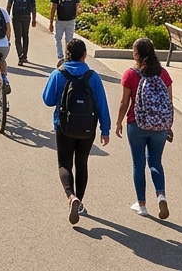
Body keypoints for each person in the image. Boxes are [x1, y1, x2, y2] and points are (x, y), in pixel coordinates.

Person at [43, 38, 111, 225]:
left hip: (64, 126)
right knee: (81, 163)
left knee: (64, 163)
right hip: (87, 128)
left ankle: (71, 196)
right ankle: (80, 202)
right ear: (84, 55)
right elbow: (102, 105)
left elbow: (47, 100)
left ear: (67, 54)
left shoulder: (59, 74)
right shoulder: (93, 76)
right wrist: (105, 130)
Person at [115, 37, 174, 219]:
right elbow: (169, 103)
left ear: (136, 54)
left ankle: (142, 205)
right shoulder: (163, 74)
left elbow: (125, 102)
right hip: (160, 127)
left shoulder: (130, 74)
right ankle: (161, 195)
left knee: (138, 165)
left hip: (136, 124)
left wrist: (118, 122)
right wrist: (168, 125)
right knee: (156, 162)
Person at [7, 0, 38, 66]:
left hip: (16, 16)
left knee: (17, 37)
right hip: (26, 16)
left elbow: (9, 5)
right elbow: (33, 6)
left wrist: (6, 17)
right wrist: (34, 18)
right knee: (25, 35)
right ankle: (25, 55)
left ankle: (20, 55)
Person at [48, 0, 80, 64]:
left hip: (60, 20)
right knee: (69, 40)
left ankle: (60, 56)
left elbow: (53, 8)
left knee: (58, 38)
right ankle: (68, 56)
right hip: (70, 19)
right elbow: (78, 6)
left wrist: (51, 22)